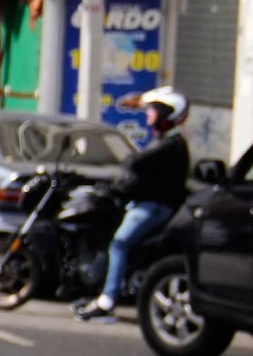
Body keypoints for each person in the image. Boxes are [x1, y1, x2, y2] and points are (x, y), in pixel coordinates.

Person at [78, 87, 192, 320]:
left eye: (153, 110)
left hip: (152, 207)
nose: (148, 114)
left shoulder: (169, 145)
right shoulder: (168, 142)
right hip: (149, 204)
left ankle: (107, 301)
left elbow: (135, 164)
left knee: (119, 244)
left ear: (167, 114)